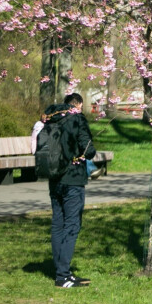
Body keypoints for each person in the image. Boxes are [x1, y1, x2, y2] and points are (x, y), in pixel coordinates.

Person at [48, 93, 98, 288]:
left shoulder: (51, 118)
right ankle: (64, 275)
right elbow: (88, 149)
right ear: (78, 105)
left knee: (57, 224)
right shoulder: (77, 119)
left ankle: (60, 272)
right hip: (73, 179)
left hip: (54, 178)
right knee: (72, 225)